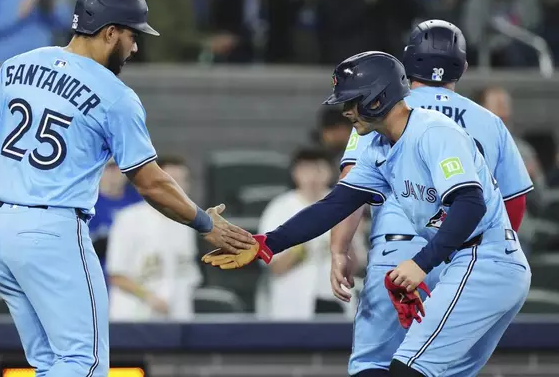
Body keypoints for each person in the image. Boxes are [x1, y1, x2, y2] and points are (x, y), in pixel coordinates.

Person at [0, 0, 254, 376]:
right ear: (110, 32)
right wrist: (206, 223)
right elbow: (151, 183)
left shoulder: (20, 64)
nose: (135, 48)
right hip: (52, 235)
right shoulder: (114, 95)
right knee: (84, 362)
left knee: (49, 365)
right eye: (132, 36)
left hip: (0, 234)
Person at [203, 51, 531, 377]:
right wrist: (267, 243)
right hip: (471, 260)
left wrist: (420, 263)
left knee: (406, 369)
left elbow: (470, 205)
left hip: (485, 258)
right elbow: (334, 206)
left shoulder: (432, 132)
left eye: (352, 101)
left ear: (377, 99)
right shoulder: (380, 146)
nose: (345, 111)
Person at [330, 20, 534, 377]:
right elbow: (513, 205)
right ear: (464, 67)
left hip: (396, 258)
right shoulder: (489, 121)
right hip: (463, 258)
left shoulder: (384, 107)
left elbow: (351, 187)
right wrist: (479, 256)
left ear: (406, 64)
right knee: (436, 369)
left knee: (373, 363)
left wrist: (339, 250)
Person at [256, 147, 359, 320]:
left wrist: (343, 244)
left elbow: (355, 265)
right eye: (306, 169)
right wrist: (302, 248)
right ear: (295, 173)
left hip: (334, 300)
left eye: (318, 169)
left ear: (330, 172)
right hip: (291, 301)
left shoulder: (344, 206)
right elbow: (274, 266)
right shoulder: (279, 208)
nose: (312, 176)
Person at [106, 155, 202, 321]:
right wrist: (149, 297)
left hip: (177, 318)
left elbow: (187, 272)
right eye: (172, 180)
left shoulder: (189, 223)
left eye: (183, 180)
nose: (178, 186)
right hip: (134, 317)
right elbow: (116, 275)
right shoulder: (129, 219)